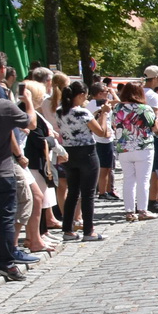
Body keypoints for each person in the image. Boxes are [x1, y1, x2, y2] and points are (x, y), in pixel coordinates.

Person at [0, 84, 34, 281]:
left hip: (2, 171)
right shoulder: (3, 105)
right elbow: (31, 123)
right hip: (0, 172)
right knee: (4, 219)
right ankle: (5, 264)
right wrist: (29, 101)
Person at [56, 84, 108, 242]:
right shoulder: (82, 112)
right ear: (79, 95)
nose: (86, 98)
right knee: (88, 194)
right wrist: (104, 115)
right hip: (87, 153)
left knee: (73, 192)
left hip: (69, 153)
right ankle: (88, 231)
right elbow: (102, 132)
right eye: (85, 95)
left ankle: (67, 229)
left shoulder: (60, 111)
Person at [110, 85, 158, 223]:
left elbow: (114, 125)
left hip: (124, 147)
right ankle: (142, 210)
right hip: (143, 147)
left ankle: (129, 212)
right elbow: (154, 127)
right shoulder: (144, 108)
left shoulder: (117, 108)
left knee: (128, 180)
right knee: (143, 180)